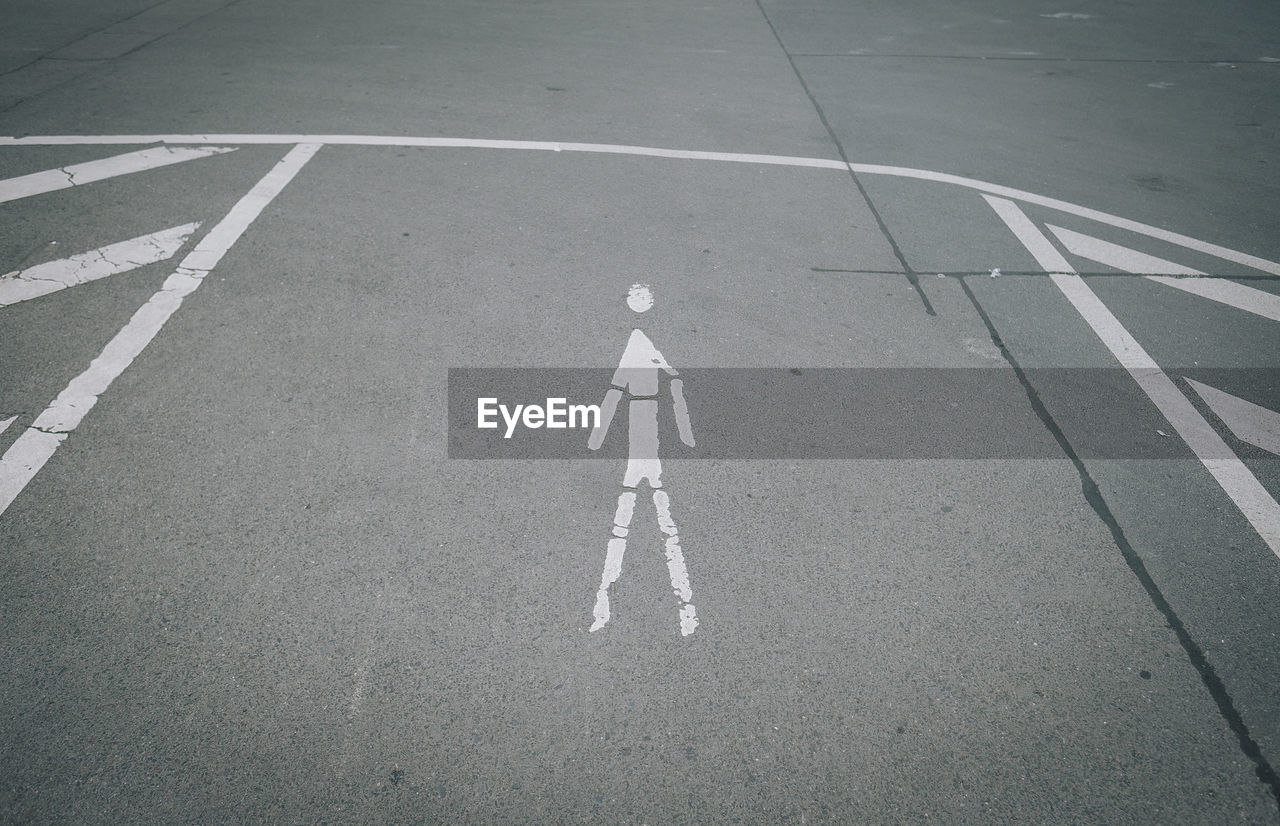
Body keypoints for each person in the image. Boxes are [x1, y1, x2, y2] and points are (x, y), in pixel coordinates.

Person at [587, 284, 698, 636]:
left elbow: (613, 395)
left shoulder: (641, 358)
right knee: (662, 521)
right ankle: (684, 606)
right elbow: (672, 389)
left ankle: (604, 601)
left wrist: (596, 437)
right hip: (645, 446)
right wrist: (685, 435)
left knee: (629, 520)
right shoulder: (651, 361)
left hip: (643, 445)